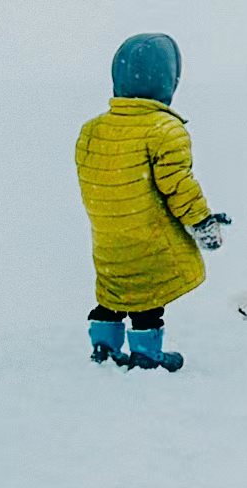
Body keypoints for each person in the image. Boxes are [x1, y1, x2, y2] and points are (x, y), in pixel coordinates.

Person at [75, 33, 230, 370]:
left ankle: (103, 343)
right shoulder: (165, 130)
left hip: (109, 233)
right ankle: (146, 352)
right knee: (147, 295)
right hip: (147, 234)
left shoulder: (92, 129)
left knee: (114, 289)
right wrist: (202, 223)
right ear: (168, 81)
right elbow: (178, 186)